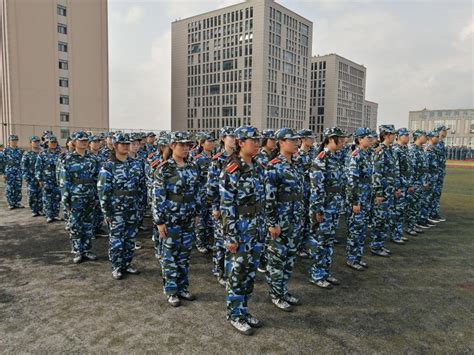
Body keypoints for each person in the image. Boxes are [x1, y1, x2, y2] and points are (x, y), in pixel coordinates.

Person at [220, 125, 266, 335]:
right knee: (237, 274)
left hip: (255, 229)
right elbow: (227, 205)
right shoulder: (232, 169)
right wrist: (230, 235)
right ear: (240, 143)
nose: (256, 144)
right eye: (252, 140)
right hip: (239, 229)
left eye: (257, 140)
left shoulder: (257, 166)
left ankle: (244, 310)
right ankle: (234, 315)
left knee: (249, 274)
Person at [153, 131, 200, 307]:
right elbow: (158, 197)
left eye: (188, 145)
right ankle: (171, 290)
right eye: (182, 145)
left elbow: (197, 192)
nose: (186, 148)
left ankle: (183, 287)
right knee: (170, 255)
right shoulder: (164, 168)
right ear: (173, 146)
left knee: (185, 254)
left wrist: (196, 212)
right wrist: (159, 221)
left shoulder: (192, 166)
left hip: (187, 217)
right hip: (171, 218)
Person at [265, 128, 304, 309]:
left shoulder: (296, 164)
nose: (296, 143)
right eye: (292, 140)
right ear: (281, 142)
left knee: (289, 257)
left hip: (294, 219)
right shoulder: (273, 166)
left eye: (297, 140)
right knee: (277, 259)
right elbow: (269, 198)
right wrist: (272, 223)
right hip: (280, 220)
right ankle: (276, 294)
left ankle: (284, 290)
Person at [97, 133, 145, 279]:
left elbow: (141, 186)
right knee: (117, 239)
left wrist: (141, 206)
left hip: (133, 208)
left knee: (130, 238)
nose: (125, 146)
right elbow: (103, 191)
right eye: (122, 144)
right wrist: (107, 212)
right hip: (116, 209)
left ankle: (127, 264)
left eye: (127, 144)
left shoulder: (135, 164)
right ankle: (117, 266)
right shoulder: (108, 166)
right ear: (115, 146)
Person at [309, 127, 348, 289]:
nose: (344, 141)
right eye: (340, 138)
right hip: (324, 207)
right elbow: (317, 188)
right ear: (331, 139)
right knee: (320, 241)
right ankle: (316, 274)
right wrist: (318, 210)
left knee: (329, 240)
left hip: (334, 205)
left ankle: (325, 272)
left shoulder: (336, 157)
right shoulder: (321, 159)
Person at [60, 131, 100, 264]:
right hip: (75, 197)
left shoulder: (93, 159)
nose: (84, 142)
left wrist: (96, 196)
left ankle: (87, 249)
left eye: (86, 140)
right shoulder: (67, 159)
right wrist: (66, 199)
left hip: (89, 196)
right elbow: (64, 181)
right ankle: (78, 250)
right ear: (74, 142)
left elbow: (97, 179)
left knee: (88, 224)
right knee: (76, 225)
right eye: (81, 140)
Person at [207, 126, 236, 286]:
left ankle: (230, 270)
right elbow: (212, 186)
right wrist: (215, 207)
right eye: (230, 136)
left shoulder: (239, 157)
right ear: (223, 138)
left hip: (234, 207)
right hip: (221, 207)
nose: (233, 139)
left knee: (232, 240)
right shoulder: (217, 159)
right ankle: (219, 271)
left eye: (235, 136)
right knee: (220, 241)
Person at [345, 128, 375, 271]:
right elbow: (352, 181)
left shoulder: (368, 154)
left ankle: (358, 257)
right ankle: (351, 258)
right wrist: (355, 201)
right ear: (359, 139)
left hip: (366, 196)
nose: (370, 140)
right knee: (355, 230)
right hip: (358, 198)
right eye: (367, 137)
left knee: (362, 229)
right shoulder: (356, 155)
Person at [369, 125, 399, 257]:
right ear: (386, 135)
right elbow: (377, 173)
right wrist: (379, 193)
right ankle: (375, 246)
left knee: (385, 218)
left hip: (390, 190)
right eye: (392, 134)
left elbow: (394, 172)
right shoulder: (380, 151)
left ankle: (380, 244)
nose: (394, 136)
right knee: (379, 219)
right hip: (383, 191)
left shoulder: (390, 150)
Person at [193, 132, 217, 254]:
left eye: (213, 141)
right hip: (201, 194)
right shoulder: (197, 159)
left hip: (212, 194)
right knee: (201, 220)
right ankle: (200, 242)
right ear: (202, 143)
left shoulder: (216, 158)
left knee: (211, 221)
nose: (212, 143)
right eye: (209, 141)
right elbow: (194, 179)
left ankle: (208, 242)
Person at [295, 129, 317, 258]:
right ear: (302, 139)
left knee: (309, 219)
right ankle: (299, 246)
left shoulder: (314, 153)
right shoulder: (298, 154)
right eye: (310, 138)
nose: (312, 140)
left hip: (312, 191)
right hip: (303, 190)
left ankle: (304, 244)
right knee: (301, 219)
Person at [391, 128, 412, 244]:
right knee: (397, 211)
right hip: (399, 183)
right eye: (405, 135)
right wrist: (397, 187)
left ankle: (398, 233)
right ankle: (395, 234)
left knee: (401, 210)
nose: (408, 137)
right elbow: (396, 170)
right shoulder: (396, 149)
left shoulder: (405, 149)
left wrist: (408, 184)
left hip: (405, 182)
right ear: (399, 136)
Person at [36, 135, 61, 222]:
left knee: (57, 197)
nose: (53, 144)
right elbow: (38, 167)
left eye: (55, 142)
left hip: (57, 179)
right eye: (51, 142)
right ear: (47, 143)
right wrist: (39, 179)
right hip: (47, 179)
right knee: (47, 197)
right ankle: (49, 215)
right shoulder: (42, 154)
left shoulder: (59, 154)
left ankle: (55, 214)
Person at [21, 136, 43, 216]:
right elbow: (23, 166)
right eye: (34, 142)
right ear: (31, 143)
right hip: (31, 177)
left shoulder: (42, 152)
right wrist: (26, 177)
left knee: (41, 194)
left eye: (38, 141)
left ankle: (40, 209)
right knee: (32, 194)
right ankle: (34, 210)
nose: (36, 143)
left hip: (41, 177)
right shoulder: (27, 153)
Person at [2, 135, 24, 209]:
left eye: (15, 140)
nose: (14, 142)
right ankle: (11, 203)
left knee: (18, 187)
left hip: (18, 171)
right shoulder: (5, 150)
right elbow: (2, 163)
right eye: (12, 140)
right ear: (9, 141)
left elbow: (23, 162)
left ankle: (17, 202)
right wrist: (3, 173)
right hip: (9, 172)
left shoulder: (20, 150)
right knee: (10, 188)